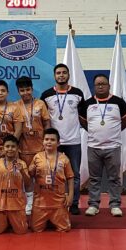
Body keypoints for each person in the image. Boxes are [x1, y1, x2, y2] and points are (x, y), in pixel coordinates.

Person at [78, 74, 126, 218]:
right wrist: (95, 132)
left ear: (109, 85)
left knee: (114, 178)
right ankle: (93, 205)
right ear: (94, 87)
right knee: (94, 179)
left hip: (113, 147)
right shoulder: (87, 104)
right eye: (98, 84)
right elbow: (83, 122)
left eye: (103, 84)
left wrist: (112, 132)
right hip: (93, 147)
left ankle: (115, 205)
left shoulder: (118, 102)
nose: (100, 86)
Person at [40, 64, 86, 214]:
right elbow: (43, 118)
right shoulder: (46, 95)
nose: (61, 75)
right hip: (54, 143)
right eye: (58, 73)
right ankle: (54, 202)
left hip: (73, 141)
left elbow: (84, 116)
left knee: (75, 174)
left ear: (68, 75)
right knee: (52, 173)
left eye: (64, 73)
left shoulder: (78, 93)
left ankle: (74, 203)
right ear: (54, 76)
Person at [15, 76, 49, 215]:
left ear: (32, 89)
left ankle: (42, 201)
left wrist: (47, 142)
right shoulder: (15, 106)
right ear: (18, 91)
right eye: (22, 90)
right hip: (24, 148)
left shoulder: (40, 104)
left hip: (40, 147)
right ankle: (29, 202)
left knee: (41, 176)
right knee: (27, 177)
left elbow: (46, 123)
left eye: (28, 89)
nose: (25, 93)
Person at [29, 129, 75, 232]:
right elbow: (31, 175)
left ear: (58, 143)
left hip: (58, 202)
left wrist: (70, 195)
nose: (49, 142)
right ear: (43, 141)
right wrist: (31, 171)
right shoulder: (37, 157)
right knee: (36, 229)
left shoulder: (64, 158)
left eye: (52, 140)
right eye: (46, 139)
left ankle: (54, 218)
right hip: (40, 202)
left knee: (65, 228)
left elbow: (70, 177)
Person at [0, 135, 31, 235]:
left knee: (22, 231)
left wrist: (22, 171)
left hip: (17, 205)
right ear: (3, 148)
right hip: (0, 205)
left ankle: (13, 221)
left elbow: (28, 184)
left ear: (17, 148)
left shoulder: (22, 164)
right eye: (7, 146)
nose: (10, 149)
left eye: (13, 146)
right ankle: (6, 222)